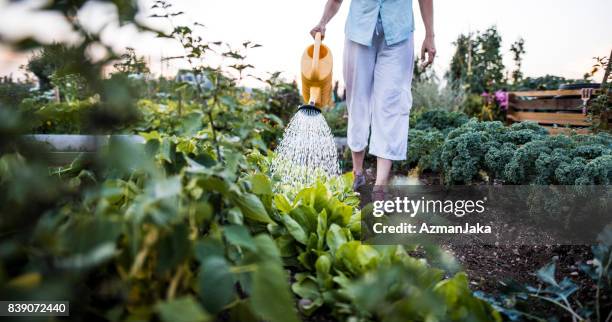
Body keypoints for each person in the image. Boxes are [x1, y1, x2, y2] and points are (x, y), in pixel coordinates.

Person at [310, 0, 436, 190]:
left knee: (392, 105)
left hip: (399, 32)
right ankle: (358, 173)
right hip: (359, 30)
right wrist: (323, 22)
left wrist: (430, 34)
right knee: (357, 102)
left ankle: (380, 185)